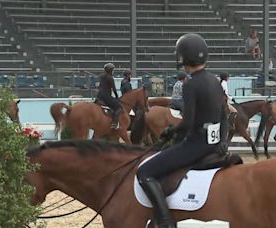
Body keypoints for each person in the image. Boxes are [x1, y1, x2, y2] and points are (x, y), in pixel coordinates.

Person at [137, 33, 229, 228]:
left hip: (196, 145)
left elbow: (188, 123)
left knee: (145, 171)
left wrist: (170, 133)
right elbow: (224, 115)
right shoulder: (214, 80)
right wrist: (222, 140)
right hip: (214, 144)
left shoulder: (190, 84)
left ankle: (163, 221)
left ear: (184, 58)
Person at [96, 63, 122, 129]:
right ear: (110, 70)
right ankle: (114, 122)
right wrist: (117, 97)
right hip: (106, 97)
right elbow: (114, 89)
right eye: (113, 70)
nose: (113, 71)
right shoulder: (110, 78)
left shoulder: (101, 76)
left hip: (99, 96)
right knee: (119, 107)